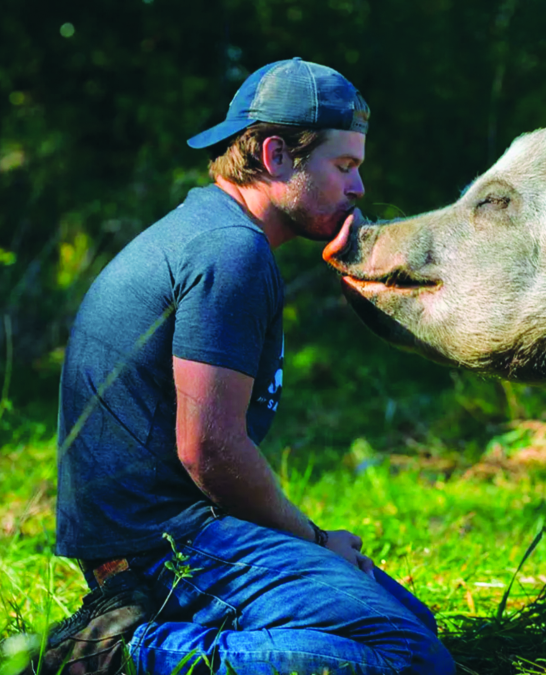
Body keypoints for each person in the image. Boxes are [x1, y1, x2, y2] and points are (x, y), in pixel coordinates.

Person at [35, 58, 454, 675]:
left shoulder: (211, 230)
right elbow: (209, 449)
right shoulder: (230, 252)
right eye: (344, 167)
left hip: (163, 532)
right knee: (408, 658)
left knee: (417, 625)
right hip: (163, 544)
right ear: (276, 156)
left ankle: (151, 625)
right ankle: (119, 654)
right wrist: (317, 541)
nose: (359, 188)